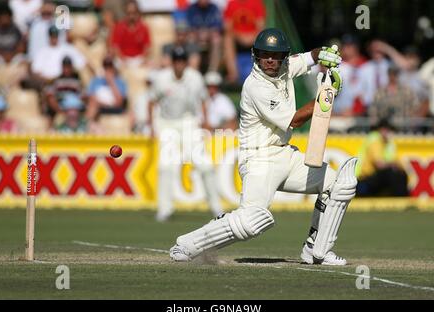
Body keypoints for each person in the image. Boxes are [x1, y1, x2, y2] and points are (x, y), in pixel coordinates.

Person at [169, 28, 355, 266]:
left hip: (285, 154)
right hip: (259, 159)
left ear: (283, 57)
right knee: (252, 221)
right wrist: (328, 93)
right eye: (264, 54)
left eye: (275, 55)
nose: (269, 60)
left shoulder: (286, 67)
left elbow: (310, 56)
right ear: (256, 55)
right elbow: (294, 120)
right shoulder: (255, 86)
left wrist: (324, 55)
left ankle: (316, 249)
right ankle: (186, 244)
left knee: (340, 184)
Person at [147, 46, 223, 222]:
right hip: (167, 123)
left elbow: (203, 99)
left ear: (186, 63)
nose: (179, 65)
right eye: (177, 61)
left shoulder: (194, 78)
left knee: (205, 164)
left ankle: (216, 208)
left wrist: (205, 120)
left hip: (188, 121)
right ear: (172, 62)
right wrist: (151, 126)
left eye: (182, 61)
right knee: (166, 166)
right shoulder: (162, 78)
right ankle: (164, 210)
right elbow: (151, 102)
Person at [356, 119, 408, 197]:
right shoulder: (375, 140)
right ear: (383, 130)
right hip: (363, 180)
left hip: (369, 178)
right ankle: (399, 199)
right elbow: (379, 164)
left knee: (400, 174)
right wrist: (393, 164)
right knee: (391, 174)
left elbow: (395, 161)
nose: (391, 133)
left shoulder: (386, 143)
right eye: (389, 130)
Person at [223, 0, 266, 84]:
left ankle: (264, 73)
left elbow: (261, 26)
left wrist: (251, 37)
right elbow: (227, 27)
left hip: (253, 37)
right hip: (237, 38)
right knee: (227, 39)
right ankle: (233, 74)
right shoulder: (232, 4)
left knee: (263, 38)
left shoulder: (256, 3)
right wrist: (240, 36)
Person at [369, 65, 420, 132]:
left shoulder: (407, 91)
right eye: (391, 74)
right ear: (388, 75)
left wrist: (411, 119)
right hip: (384, 128)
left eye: (395, 74)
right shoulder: (380, 91)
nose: (392, 76)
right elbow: (373, 108)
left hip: (403, 127)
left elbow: (415, 107)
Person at [86, 56, 128, 122]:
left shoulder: (120, 82)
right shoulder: (96, 80)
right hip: (99, 106)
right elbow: (91, 98)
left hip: (114, 107)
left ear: (114, 68)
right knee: (92, 107)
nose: (107, 69)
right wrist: (103, 104)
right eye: (106, 67)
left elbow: (119, 102)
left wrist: (111, 82)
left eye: (110, 67)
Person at [110, 0, 151, 67]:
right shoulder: (118, 27)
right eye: (129, 13)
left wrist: (142, 59)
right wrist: (123, 60)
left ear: (138, 13)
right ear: (125, 13)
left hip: (139, 59)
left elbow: (147, 47)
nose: (131, 16)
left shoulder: (144, 28)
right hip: (122, 60)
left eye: (134, 13)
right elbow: (115, 47)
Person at [44, 56, 85, 123]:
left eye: (68, 67)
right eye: (65, 67)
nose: (66, 69)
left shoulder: (77, 80)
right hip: (60, 104)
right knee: (50, 98)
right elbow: (49, 93)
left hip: (74, 104)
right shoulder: (56, 80)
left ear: (71, 67)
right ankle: (62, 115)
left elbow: (83, 94)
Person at [186, 0, 223, 73]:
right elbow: (189, 27)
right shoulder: (191, 9)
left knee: (217, 39)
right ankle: (193, 71)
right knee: (190, 38)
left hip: (210, 38)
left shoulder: (214, 8)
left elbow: (218, 27)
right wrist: (199, 34)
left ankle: (213, 71)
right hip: (196, 37)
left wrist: (207, 34)